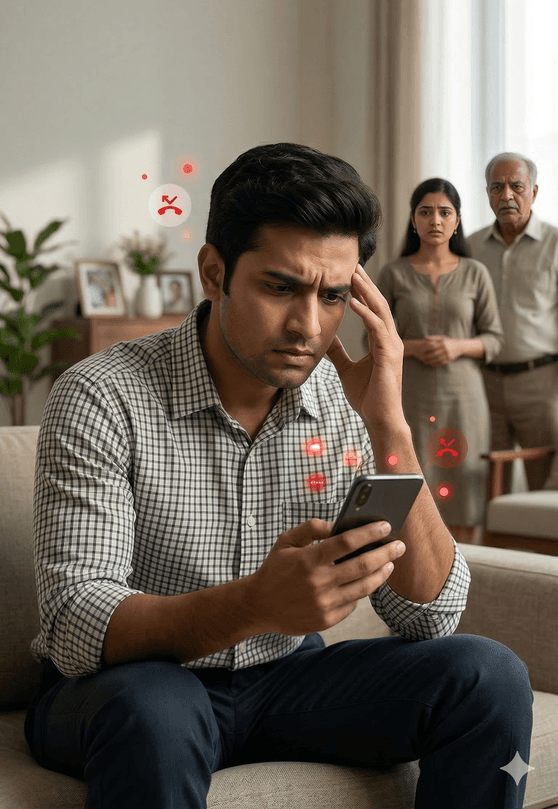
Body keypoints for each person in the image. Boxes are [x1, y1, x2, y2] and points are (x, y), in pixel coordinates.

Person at [25, 144, 532, 809]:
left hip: (287, 679)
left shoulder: (342, 398)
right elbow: (73, 621)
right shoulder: (101, 394)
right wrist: (256, 604)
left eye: (333, 296)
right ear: (214, 271)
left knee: (489, 674)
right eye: (280, 287)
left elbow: (427, 615)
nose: (308, 326)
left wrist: (389, 426)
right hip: (135, 686)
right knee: (154, 709)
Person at [376, 179, 504, 545]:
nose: (435, 220)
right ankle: (414, 573)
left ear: (457, 220)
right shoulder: (393, 273)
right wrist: (413, 348)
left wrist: (456, 346)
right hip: (410, 396)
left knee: (463, 484)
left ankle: (465, 569)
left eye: (444, 212)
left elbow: (495, 339)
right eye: (426, 211)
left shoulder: (475, 273)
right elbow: (374, 339)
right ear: (413, 221)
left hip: (464, 398)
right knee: (411, 480)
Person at [467, 152, 558, 492]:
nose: (506, 196)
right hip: (483, 383)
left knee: (544, 492)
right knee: (486, 485)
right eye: (496, 187)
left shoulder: (555, 244)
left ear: (534, 191)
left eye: (516, 187)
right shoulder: (470, 247)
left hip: (541, 385)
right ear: (487, 193)